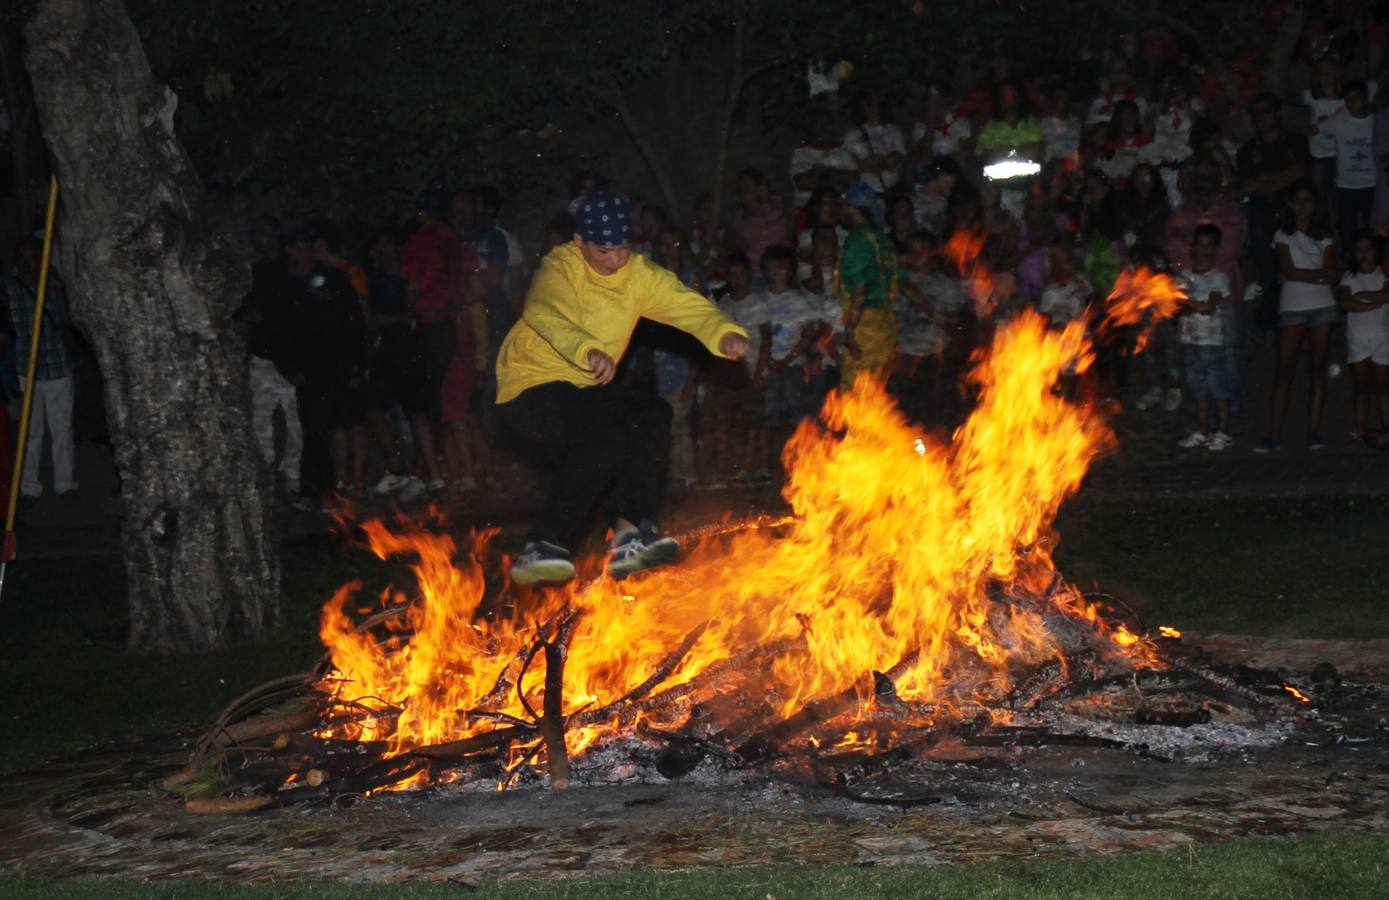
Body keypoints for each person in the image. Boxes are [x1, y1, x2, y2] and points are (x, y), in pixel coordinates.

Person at [496, 192, 750, 586]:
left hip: (584, 389)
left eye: (622, 248)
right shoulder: (560, 266)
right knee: (606, 441)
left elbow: (686, 305)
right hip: (529, 386)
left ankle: (630, 534)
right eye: (604, 251)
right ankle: (542, 545)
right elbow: (544, 312)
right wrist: (588, 349)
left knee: (653, 414)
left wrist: (724, 332)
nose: (615, 259)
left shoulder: (639, 275)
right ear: (580, 243)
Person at [1256, 184, 1339, 452]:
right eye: (1298, 200)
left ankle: (1314, 431)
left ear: (1314, 205)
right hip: (1293, 306)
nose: (1303, 205)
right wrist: (1318, 276)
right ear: (1291, 205)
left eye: (1307, 200)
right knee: (1285, 371)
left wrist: (1309, 275)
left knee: (1317, 369)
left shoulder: (1324, 235)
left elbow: (1332, 272)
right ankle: (1274, 435)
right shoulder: (1283, 234)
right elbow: (1289, 270)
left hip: (1322, 306)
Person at [398, 188, 462, 490]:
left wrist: (407, 309)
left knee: (422, 403)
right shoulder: (454, 239)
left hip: (427, 326)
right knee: (443, 400)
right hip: (451, 325)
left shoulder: (420, 241)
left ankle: (433, 472)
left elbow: (412, 283)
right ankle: (449, 472)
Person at [236, 226, 305, 501]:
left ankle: (292, 481)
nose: (258, 238)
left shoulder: (289, 271)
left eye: (262, 232)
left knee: (294, 423)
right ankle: (264, 479)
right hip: (262, 356)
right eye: (255, 235)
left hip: (288, 357)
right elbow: (245, 310)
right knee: (260, 421)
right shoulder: (254, 272)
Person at [4, 236, 76, 499]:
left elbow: (70, 321)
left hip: (57, 367)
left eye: (33, 258)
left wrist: (59, 287)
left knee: (62, 428)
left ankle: (65, 483)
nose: (27, 264)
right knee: (30, 431)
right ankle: (29, 485)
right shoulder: (10, 289)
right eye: (22, 259)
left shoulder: (54, 288)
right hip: (26, 369)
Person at [1237, 94, 1309, 331]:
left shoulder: (1296, 141)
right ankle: (1269, 318)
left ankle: (1298, 317)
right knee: (1268, 271)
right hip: (1264, 215)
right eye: (1255, 113)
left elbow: (1300, 172)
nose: (1260, 117)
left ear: (1276, 113)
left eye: (1265, 111)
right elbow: (1249, 186)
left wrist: (1267, 179)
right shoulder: (1247, 151)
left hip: (1294, 213)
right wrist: (1282, 178)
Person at [835, 182, 900, 388]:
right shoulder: (884, 241)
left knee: (855, 389)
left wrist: (850, 330)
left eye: (842, 206)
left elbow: (861, 288)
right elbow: (905, 284)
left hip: (865, 325)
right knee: (876, 387)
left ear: (852, 208)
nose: (840, 211)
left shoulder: (857, 241)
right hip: (887, 324)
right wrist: (935, 313)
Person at [1175, 225, 1234, 451]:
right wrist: (1191, 305)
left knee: (1218, 385)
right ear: (1193, 247)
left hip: (1212, 341)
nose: (1204, 250)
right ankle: (1203, 430)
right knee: (1198, 386)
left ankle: (1224, 432)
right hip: (1189, 340)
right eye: (1200, 244)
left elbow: (1209, 306)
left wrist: (1189, 303)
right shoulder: (1184, 276)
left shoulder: (1219, 276)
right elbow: (1178, 308)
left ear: (1216, 247)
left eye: (1209, 245)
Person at [1336, 232, 1389, 440]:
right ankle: (1361, 428)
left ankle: (1387, 428)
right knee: (1361, 388)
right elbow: (1345, 303)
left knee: (1383, 388)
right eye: (1359, 249)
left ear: (1375, 251)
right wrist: (1374, 304)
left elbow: (1386, 295)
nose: (1364, 253)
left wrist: (1363, 297)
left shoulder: (1383, 275)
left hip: (1383, 338)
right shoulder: (1350, 276)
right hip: (1358, 338)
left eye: (1368, 248)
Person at [1320, 81, 1376, 251]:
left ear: (1365, 99)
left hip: (1371, 185)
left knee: (1373, 230)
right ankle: (1348, 265)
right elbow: (1314, 129)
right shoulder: (1339, 120)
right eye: (1348, 99)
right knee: (1346, 231)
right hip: (1346, 186)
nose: (1352, 103)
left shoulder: (1376, 120)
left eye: (1356, 98)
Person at [841, 94, 906, 195]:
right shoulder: (851, 135)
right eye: (867, 104)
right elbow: (849, 164)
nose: (871, 108)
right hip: (863, 191)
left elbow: (896, 159)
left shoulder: (894, 131)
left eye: (874, 104)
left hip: (891, 188)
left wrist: (876, 163)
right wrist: (866, 164)